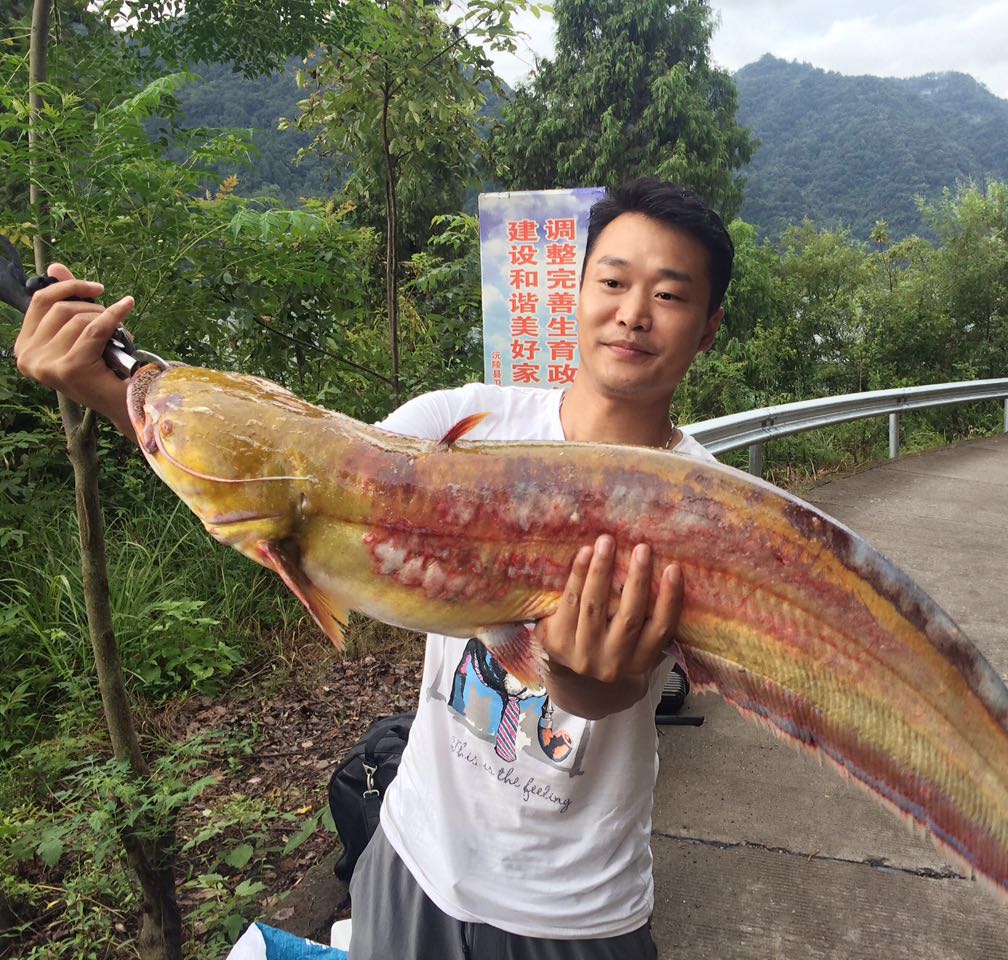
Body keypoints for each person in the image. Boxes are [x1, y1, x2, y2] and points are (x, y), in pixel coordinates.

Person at [14, 177, 733, 958]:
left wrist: (587, 683)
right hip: (409, 858)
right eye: (614, 281)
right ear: (578, 290)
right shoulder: (460, 424)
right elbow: (294, 482)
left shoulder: (705, 512)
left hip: (573, 912)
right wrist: (109, 385)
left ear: (708, 328)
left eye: (668, 294)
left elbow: (623, 686)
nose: (632, 312)